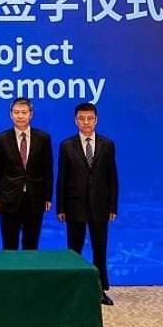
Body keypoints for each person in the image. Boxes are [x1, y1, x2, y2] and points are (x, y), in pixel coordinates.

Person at [56, 102, 119, 306]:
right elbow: (62, 178)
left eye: (90, 118)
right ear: (76, 121)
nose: (86, 122)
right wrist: (61, 207)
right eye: (82, 119)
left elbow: (112, 177)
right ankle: (73, 289)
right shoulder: (67, 145)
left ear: (96, 120)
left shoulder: (107, 145)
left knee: (100, 249)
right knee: (74, 250)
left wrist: (112, 206)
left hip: (100, 206)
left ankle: (99, 289)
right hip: (74, 205)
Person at [0, 97, 53, 250]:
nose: (20, 116)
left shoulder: (43, 138)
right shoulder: (2, 138)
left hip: (35, 198)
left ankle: (30, 267)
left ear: (31, 114)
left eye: (24, 112)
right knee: (9, 244)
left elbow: (48, 170)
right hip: (9, 198)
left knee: (31, 244)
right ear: (11, 114)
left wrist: (48, 197)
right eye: (16, 112)